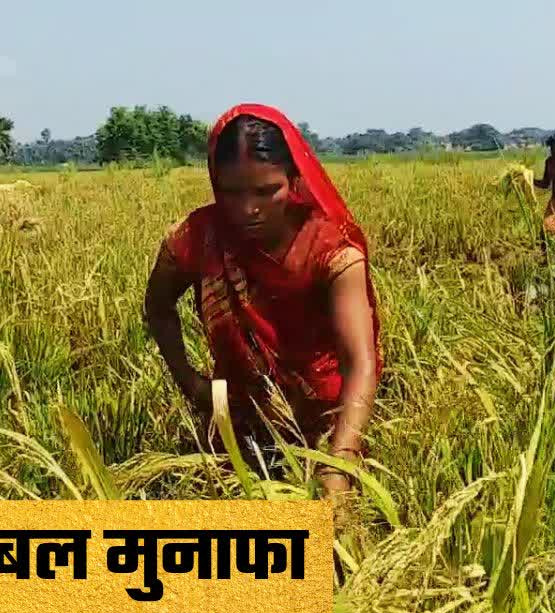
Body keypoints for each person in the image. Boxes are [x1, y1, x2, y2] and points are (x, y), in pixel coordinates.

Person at [143, 104, 381, 498]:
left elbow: (360, 363)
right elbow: (157, 307)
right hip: (236, 428)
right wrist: (192, 384)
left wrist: (339, 463)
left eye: (267, 191)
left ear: (293, 179)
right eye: (232, 192)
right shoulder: (199, 237)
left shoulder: (331, 252)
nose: (248, 209)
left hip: (324, 429)